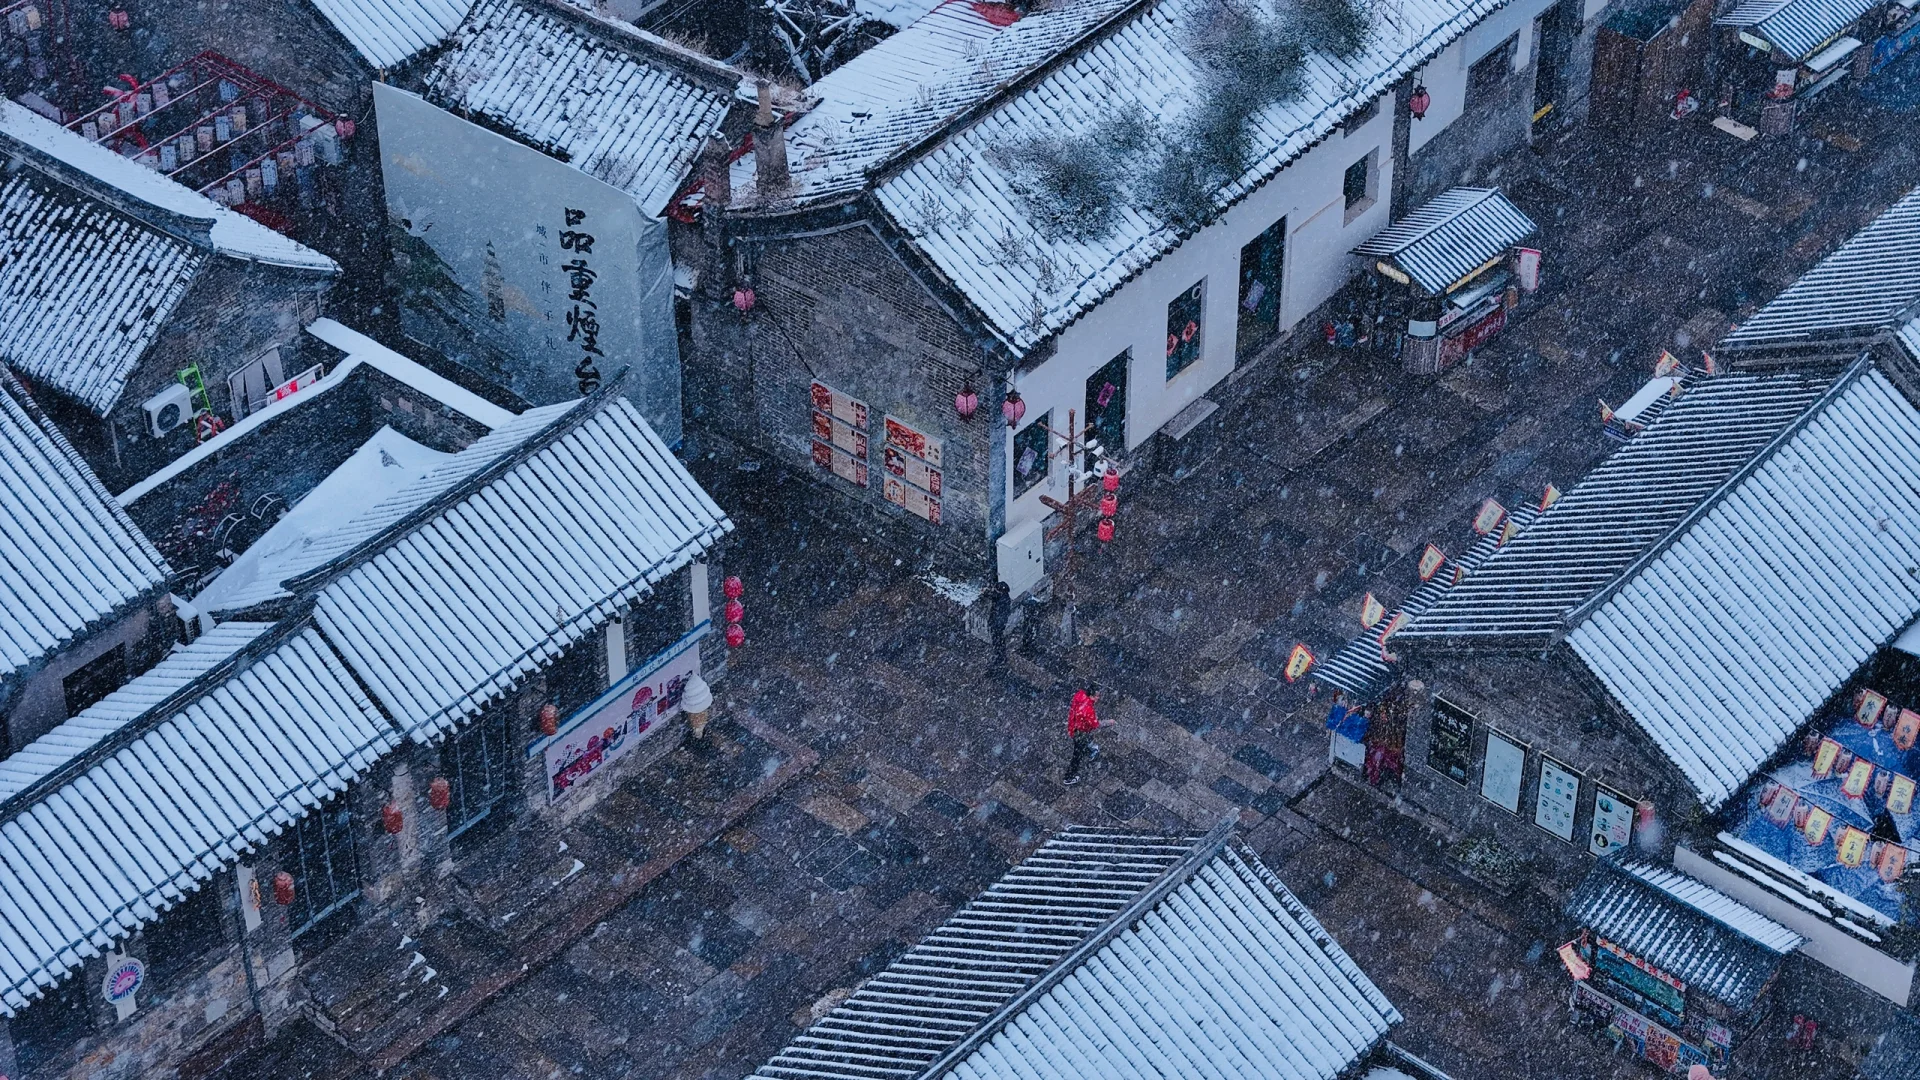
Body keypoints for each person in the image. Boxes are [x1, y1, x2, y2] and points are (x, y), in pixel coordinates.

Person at [1064, 681, 1101, 786]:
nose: (1098, 698)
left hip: (1074, 726)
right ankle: (1069, 777)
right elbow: (1095, 724)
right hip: (1080, 733)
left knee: (1082, 744)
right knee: (1077, 755)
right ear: (1091, 695)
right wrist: (1109, 722)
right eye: (1097, 696)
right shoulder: (1088, 710)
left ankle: (1089, 749)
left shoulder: (1080, 696)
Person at [987, 582, 1012, 671]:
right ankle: (1000, 657)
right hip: (997, 625)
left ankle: (1000, 658)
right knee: (998, 641)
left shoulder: (1003, 601)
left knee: (998, 641)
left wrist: (995, 625)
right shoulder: (1002, 598)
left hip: (997, 626)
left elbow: (1000, 614)